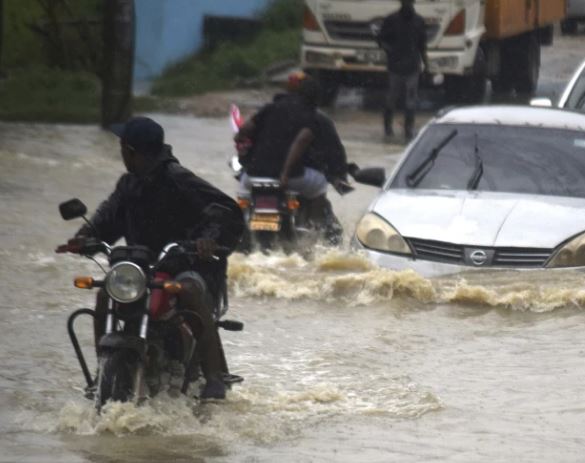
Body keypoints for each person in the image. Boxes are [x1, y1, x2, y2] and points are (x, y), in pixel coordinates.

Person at [64, 116, 245, 400]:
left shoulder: (179, 179)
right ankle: (103, 370)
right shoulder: (128, 184)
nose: (121, 153)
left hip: (185, 264)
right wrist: (86, 235)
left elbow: (227, 211)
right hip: (139, 268)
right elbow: (109, 215)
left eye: (123, 147)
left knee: (189, 291)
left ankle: (213, 378)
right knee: (104, 294)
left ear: (131, 151)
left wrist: (208, 238)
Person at [235, 72, 351, 234]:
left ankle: (240, 226)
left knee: (243, 191)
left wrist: (242, 149)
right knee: (319, 187)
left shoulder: (270, 109)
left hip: (254, 174)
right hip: (290, 177)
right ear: (316, 99)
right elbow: (303, 143)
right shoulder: (313, 117)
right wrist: (285, 173)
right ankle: (315, 227)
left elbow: (244, 131)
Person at [378, 0, 429, 140]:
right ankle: (388, 129)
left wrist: (426, 65)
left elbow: (422, 45)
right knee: (392, 98)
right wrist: (391, 51)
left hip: (411, 66)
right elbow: (381, 40)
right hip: (396, 66)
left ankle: (408, 130)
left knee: (409, 100)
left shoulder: (418, 21)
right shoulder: (392, 20)